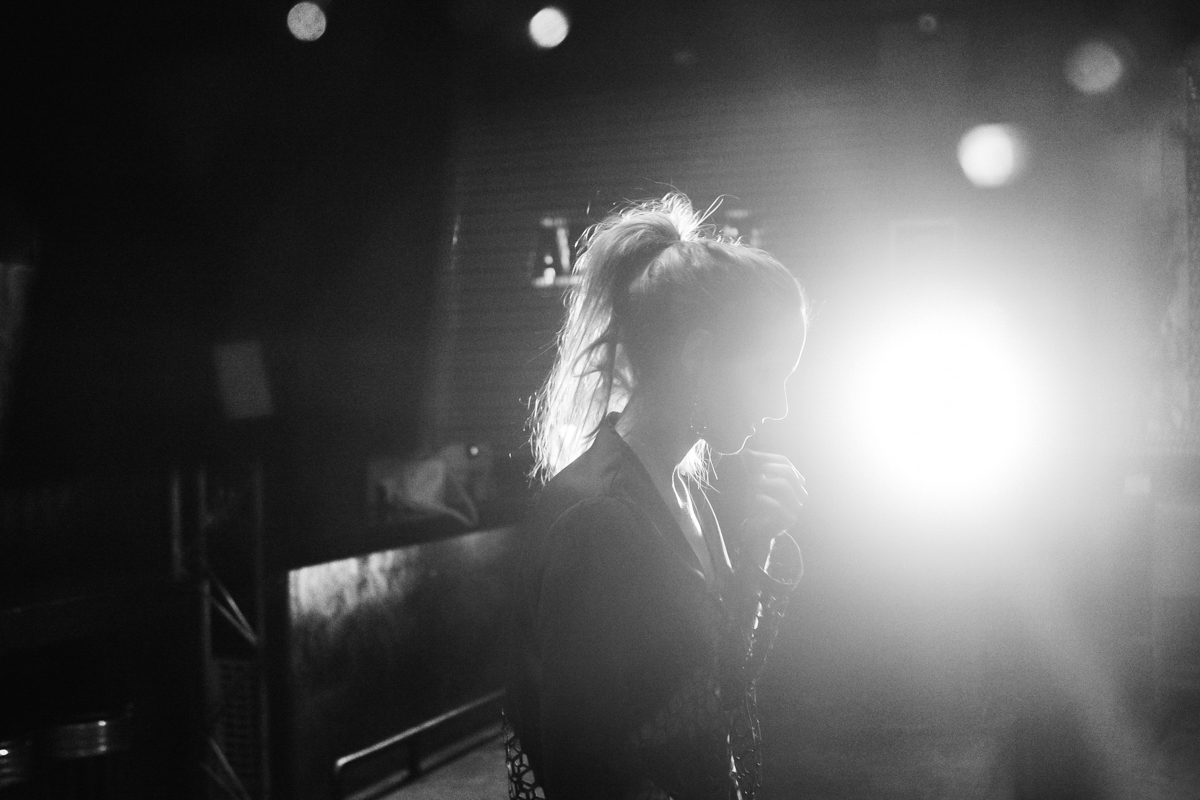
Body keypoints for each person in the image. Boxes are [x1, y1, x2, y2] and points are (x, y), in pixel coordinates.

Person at [505, 193, 809, 799]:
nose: (779, 406)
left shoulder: (681, 492)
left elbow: (716, 683)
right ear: (699, 355)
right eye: (767, 375)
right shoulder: (596, 521)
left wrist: (755, 547)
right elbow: (585, 776)